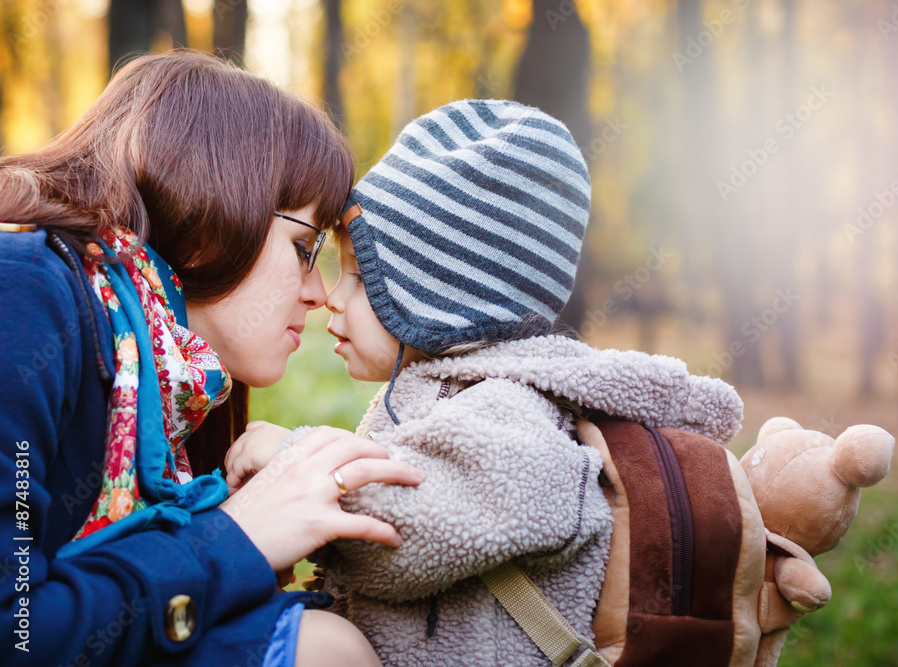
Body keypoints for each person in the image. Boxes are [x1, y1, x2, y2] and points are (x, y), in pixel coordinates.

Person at [227, 99, 744, 666]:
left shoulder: (510, 411)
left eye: (360, 276)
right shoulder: (436, 392)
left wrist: (296, 462)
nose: (331, 297)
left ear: (440, 297)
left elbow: (418, 533)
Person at [0, 51, 423, 667]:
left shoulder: (178, 377)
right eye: (303, 247)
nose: (318, 292)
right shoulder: (23, 290)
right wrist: (232, 540)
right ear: (212, 219)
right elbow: (14, 633)